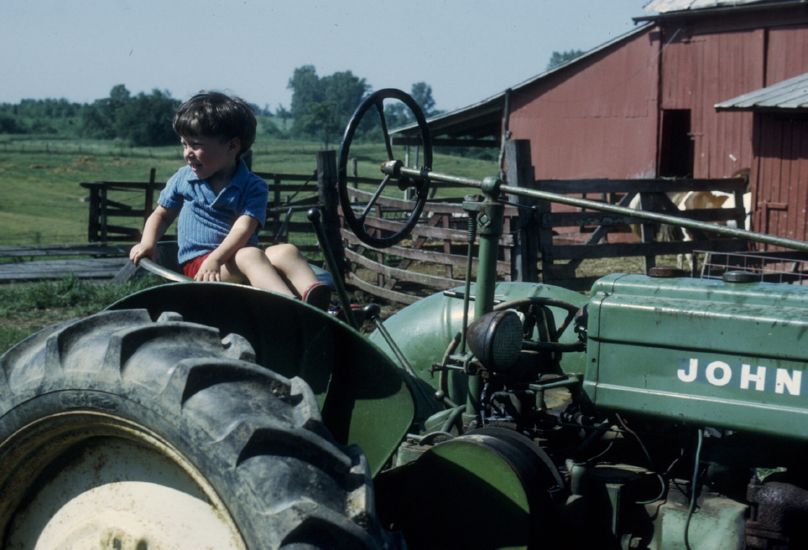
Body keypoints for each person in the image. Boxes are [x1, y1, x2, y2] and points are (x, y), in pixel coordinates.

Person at [129, 91, 330, 308]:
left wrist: (219, 257)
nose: (188, 152)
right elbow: (162, 214)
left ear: (233, 146)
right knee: (250, 255)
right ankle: (292, 308)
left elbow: (243, 229)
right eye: (184, 144)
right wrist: (148, 243)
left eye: (196, 145)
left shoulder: (253, 186)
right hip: (202, 268)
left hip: (234, 259)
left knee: (285, 251)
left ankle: (319, 302)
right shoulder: (183, 179)